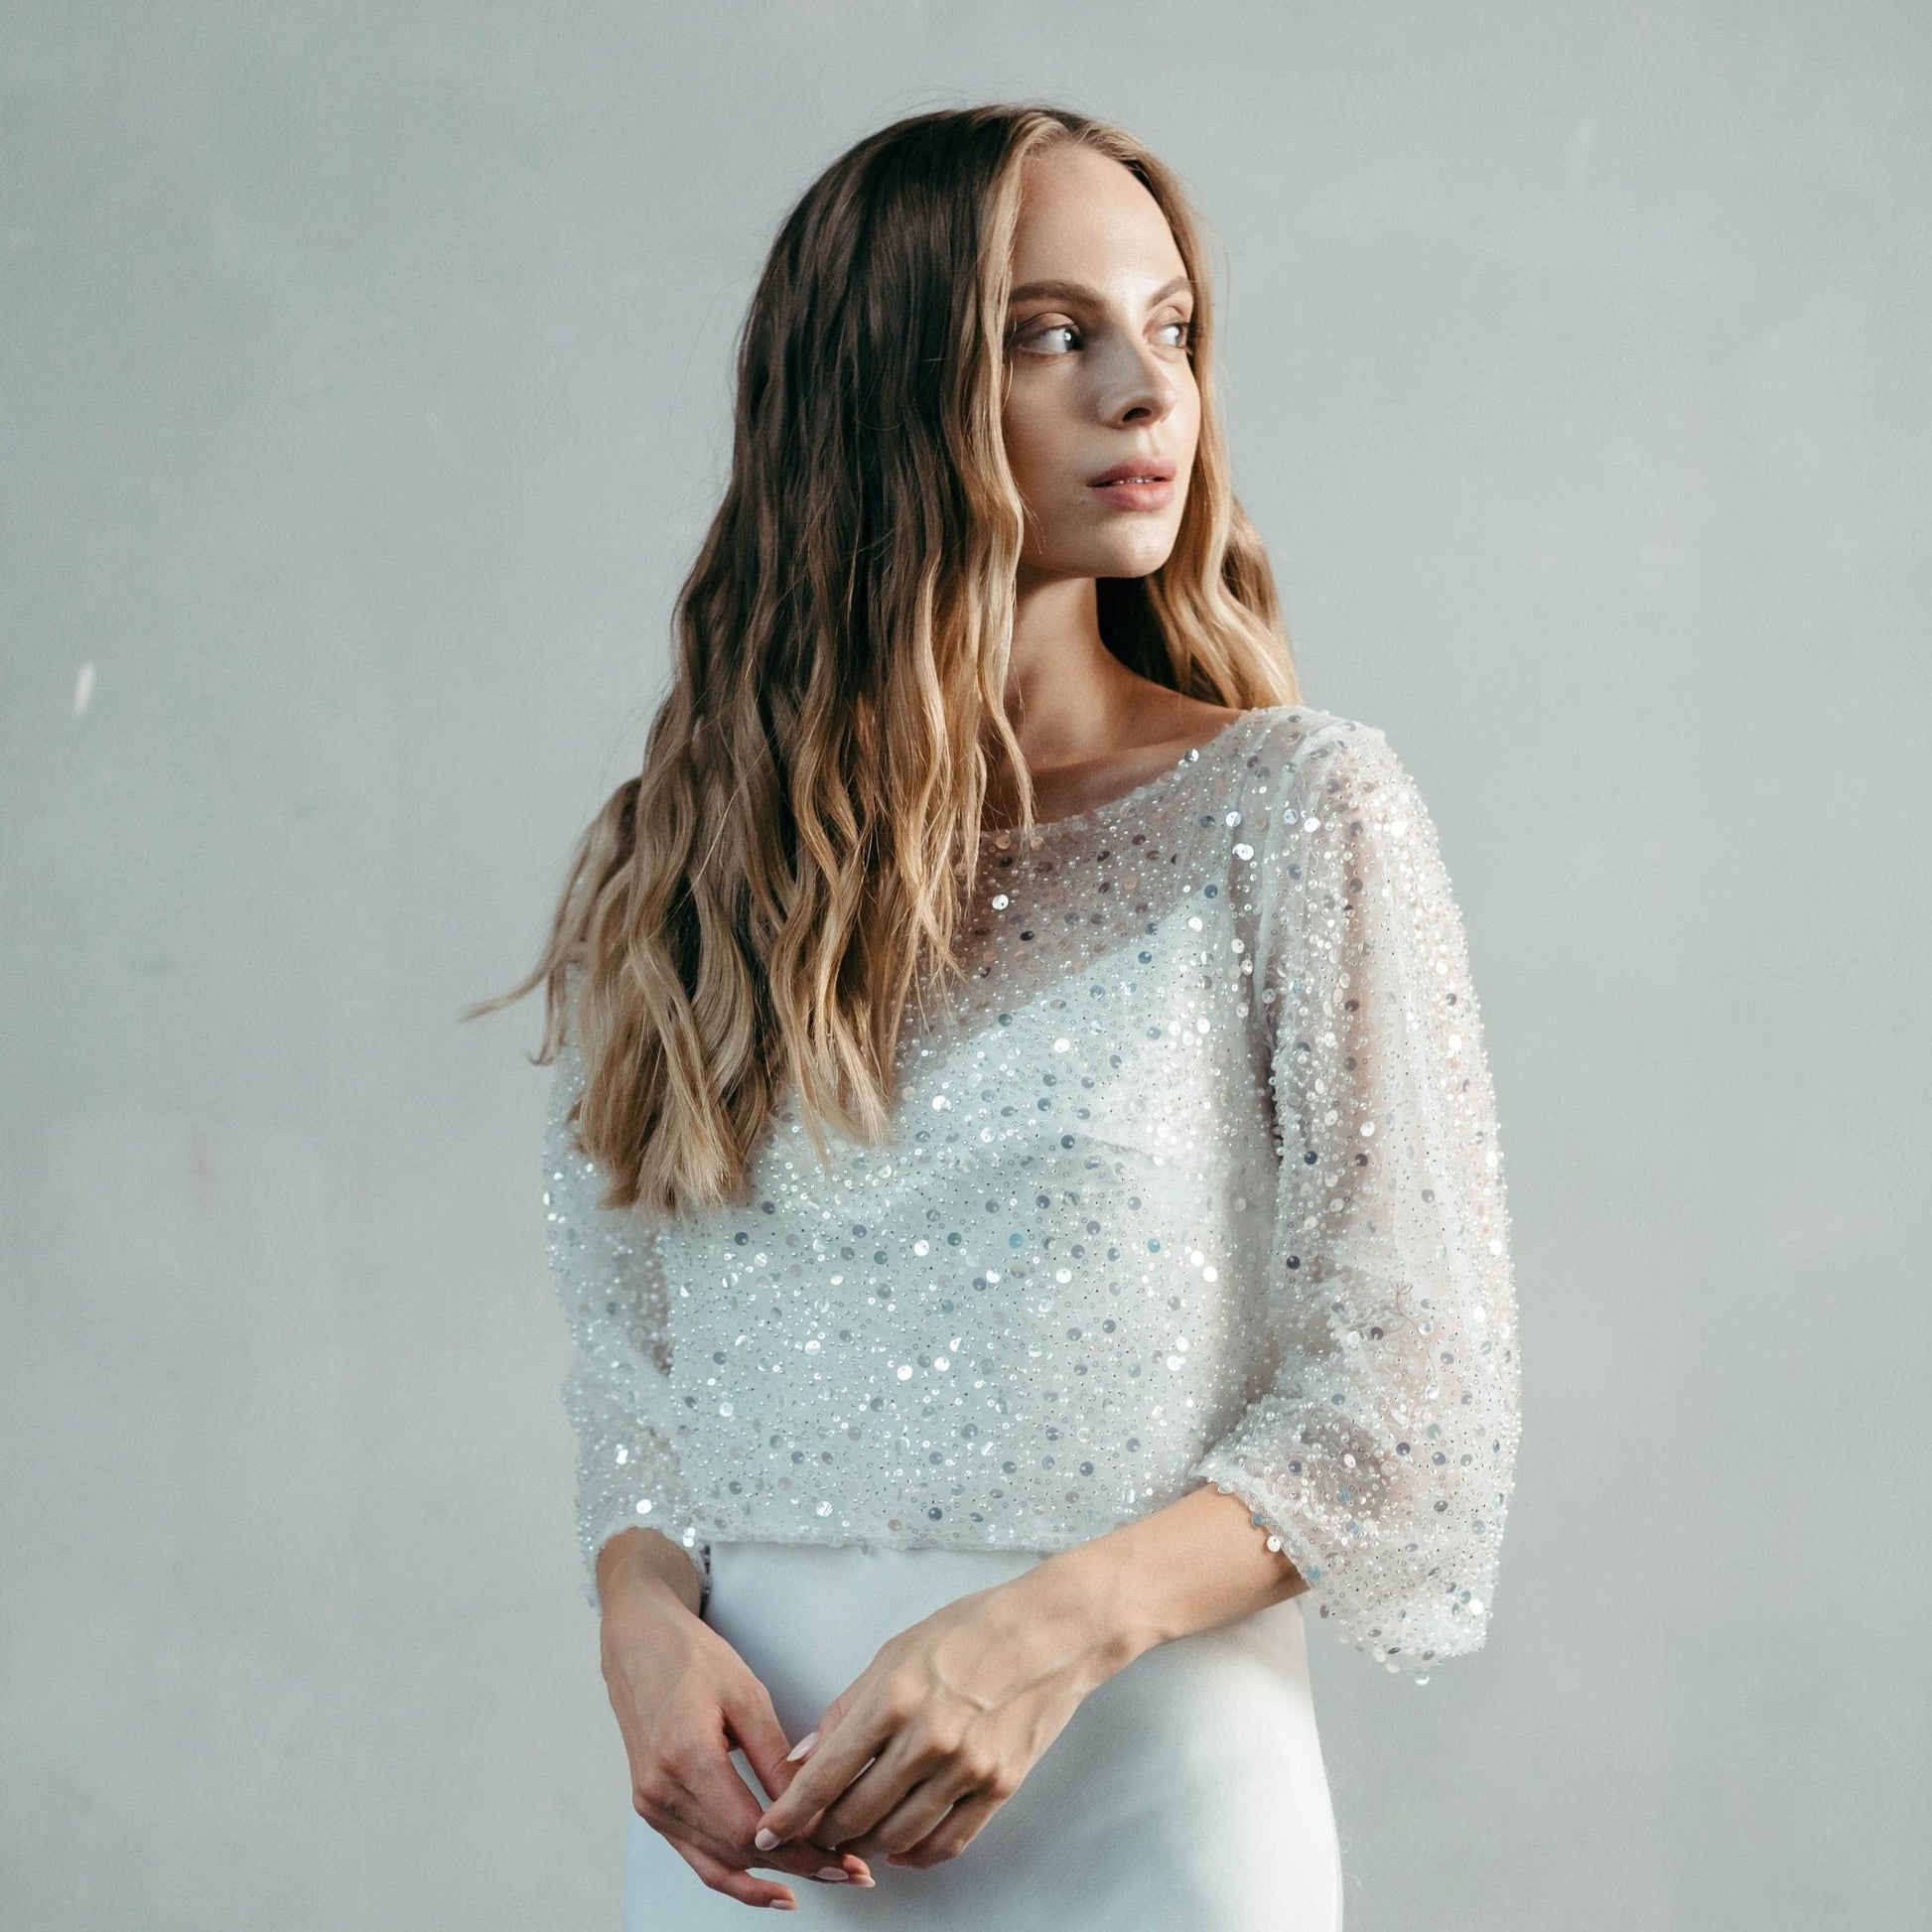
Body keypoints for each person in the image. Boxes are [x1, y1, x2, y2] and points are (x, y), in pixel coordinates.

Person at [472, 102, 1522, 1926]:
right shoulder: (686, 855)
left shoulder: (1289, 810)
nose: (1144, 388)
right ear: (877, 385)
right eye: (1051, 333)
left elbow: (1406, 1407)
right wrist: (637, 1616)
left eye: (1170, 327)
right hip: (759, 1826)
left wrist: (1045, 1630)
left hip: (1143, 1797)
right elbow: (640, 1378)